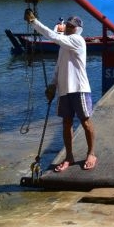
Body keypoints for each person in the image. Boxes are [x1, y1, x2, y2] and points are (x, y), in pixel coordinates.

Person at [23, 9, 97, 172]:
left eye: (72, 26)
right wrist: (52, 85)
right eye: (68, 26)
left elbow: (53, 36)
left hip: (80, 89)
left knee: (85, 122)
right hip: (64, 90)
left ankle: (91, 153)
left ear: (78, 29)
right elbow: (58, 68)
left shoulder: (77, 40)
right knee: (66, 124)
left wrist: (34, 22)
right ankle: (69, 156)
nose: (69, 28)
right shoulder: (64, 45)